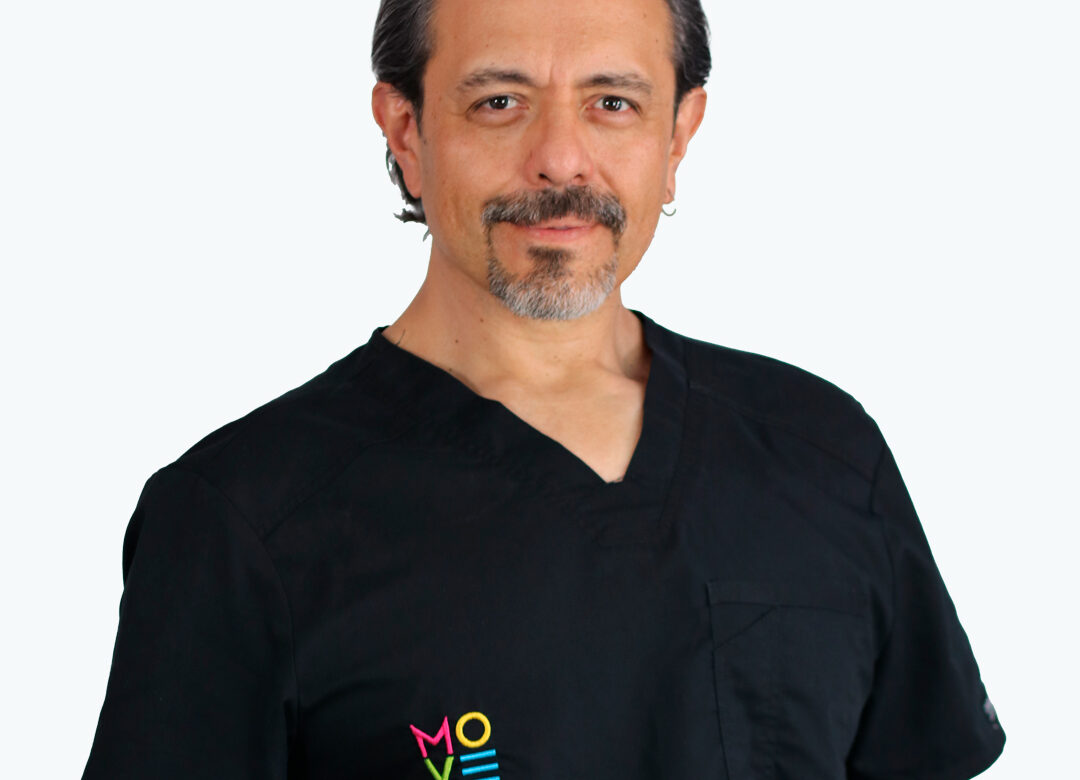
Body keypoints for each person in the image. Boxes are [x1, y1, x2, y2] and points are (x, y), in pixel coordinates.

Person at [82, 0, 1006, 778]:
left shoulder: (824, 456)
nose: (561, 159)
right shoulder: (240, 521)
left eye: (613, 103)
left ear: (679, 133)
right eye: (499, 102)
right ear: (406, 130)